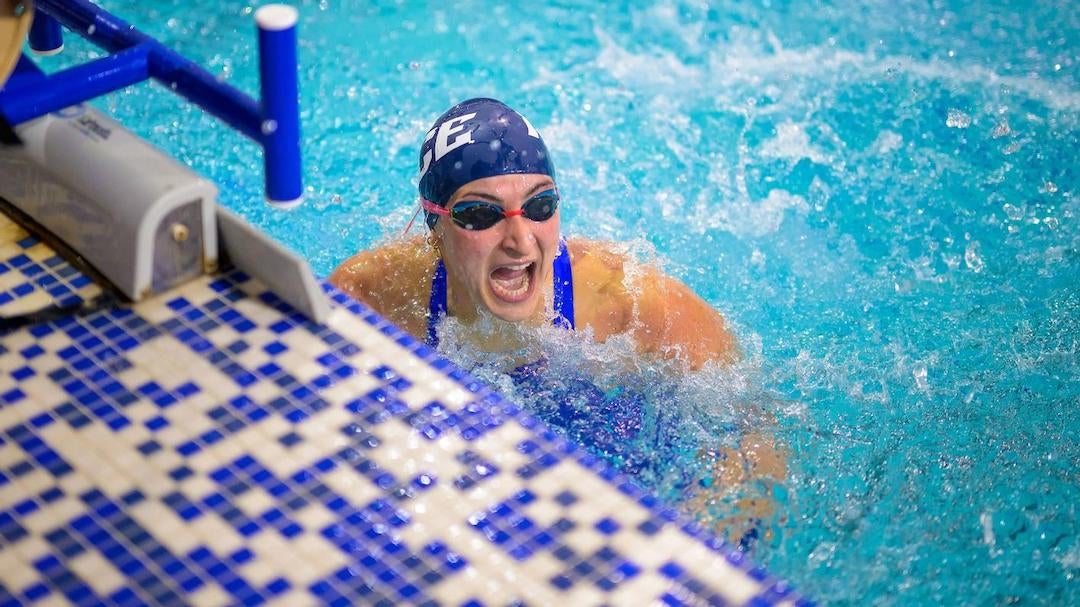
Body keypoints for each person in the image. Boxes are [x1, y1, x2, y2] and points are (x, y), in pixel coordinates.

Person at [329, 97, 738, 370]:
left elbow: (750, 417)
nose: (521, 241)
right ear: (435, 229)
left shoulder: (627, 301)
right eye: (481, 213)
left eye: (540, 206)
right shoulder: (375, 295)